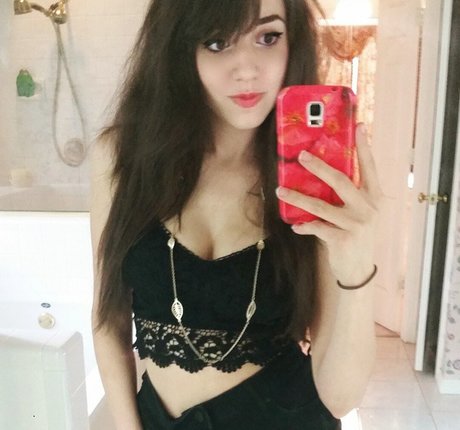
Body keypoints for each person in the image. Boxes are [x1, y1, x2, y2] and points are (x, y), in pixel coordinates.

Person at [90, 0, 382, 429]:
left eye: (268, 37)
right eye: (216, 42)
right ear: (178, 48)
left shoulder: (314, 177)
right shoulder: (122, 158)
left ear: (293, 41)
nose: (247, 70)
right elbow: (108, 318)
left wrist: (358, 268)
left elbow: (338, 398)